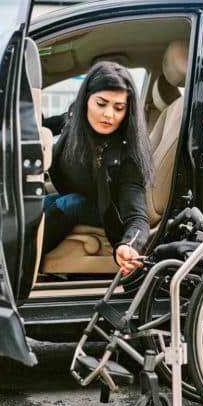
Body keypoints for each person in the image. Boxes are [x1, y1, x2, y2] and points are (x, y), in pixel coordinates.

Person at [43, 61, 153, 276]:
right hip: (75, 194)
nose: (109, 115)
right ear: (86, 101)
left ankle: (19, 274)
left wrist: (129, 245)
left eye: (119, 108)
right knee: (35, 205)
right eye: (101, 104)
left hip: (109, 211)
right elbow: (44, 125)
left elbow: (137, 216)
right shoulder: (75, 118)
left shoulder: (127, 153)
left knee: (66, 204)